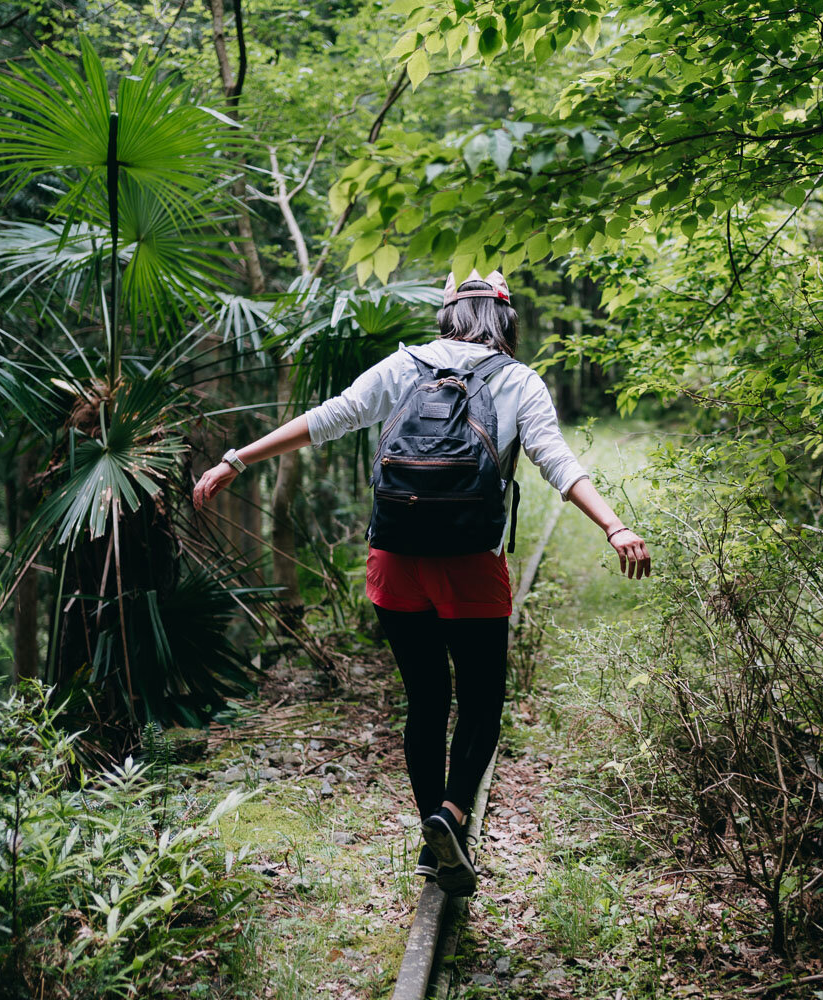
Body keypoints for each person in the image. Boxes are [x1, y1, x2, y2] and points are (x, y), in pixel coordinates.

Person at [191, 268, 650, 896]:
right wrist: (615, 526)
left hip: (395, 560)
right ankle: (451, 817)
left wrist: (235, 458)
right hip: (470, 564)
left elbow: (329, 418)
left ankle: (432, 830)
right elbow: (556, 463)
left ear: (448, 315)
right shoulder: (518, 380)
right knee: (483, 698)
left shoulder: (403, 367)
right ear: (505, 320)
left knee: (427, 698)